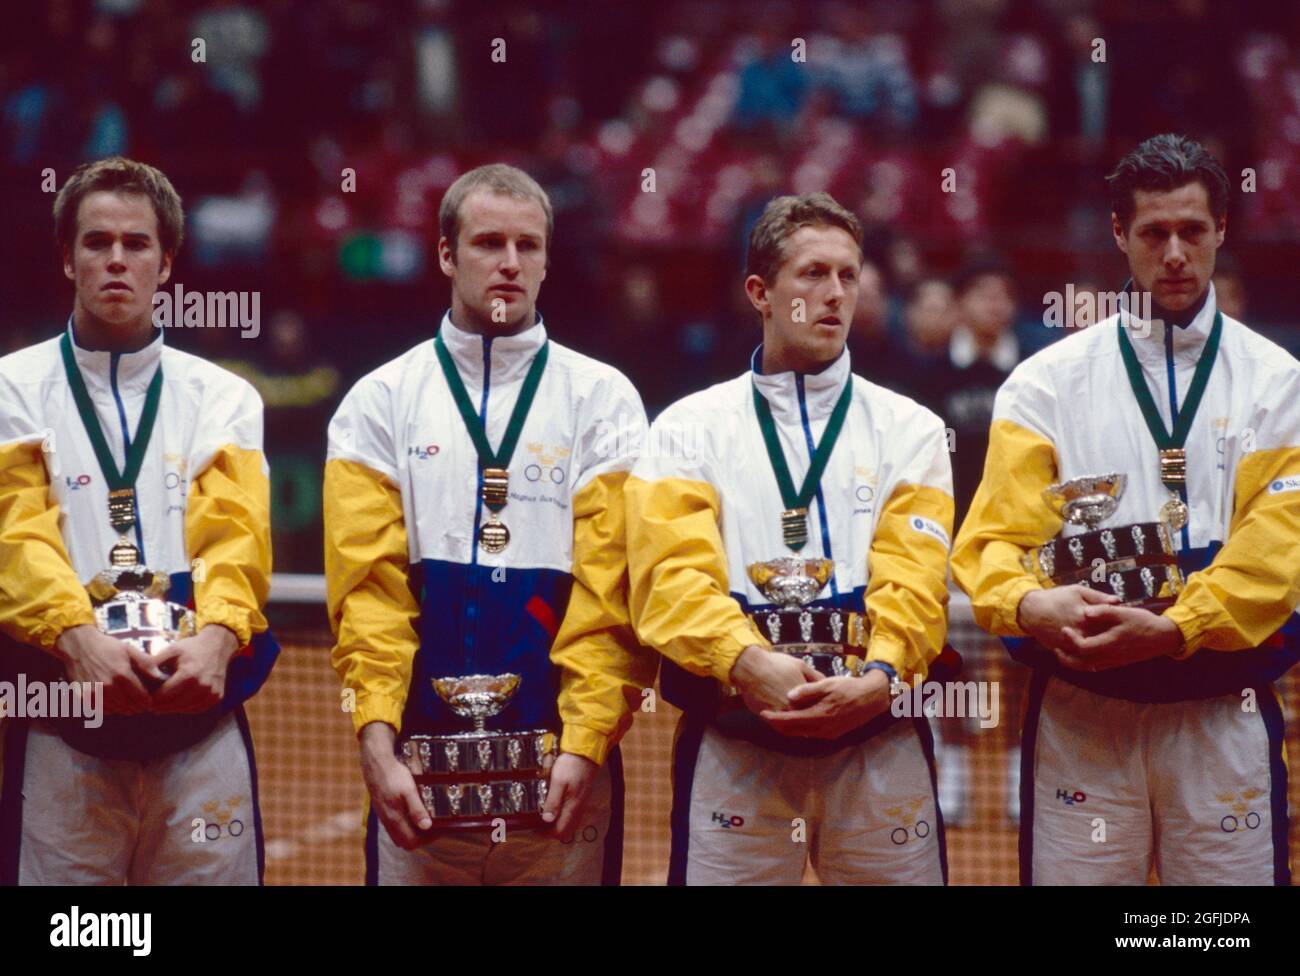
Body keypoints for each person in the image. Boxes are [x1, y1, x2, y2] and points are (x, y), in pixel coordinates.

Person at [952, 133, 1299, 885]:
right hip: (1082, 713)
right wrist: (1027, 603)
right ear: (1119, 234)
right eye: (1153, 232)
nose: (1174, 253)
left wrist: (1177, 627)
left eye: (1192, 231)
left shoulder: (1280, 385)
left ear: (1222, 232)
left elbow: (1278, 557)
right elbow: (991, 546)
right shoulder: (1043, 387)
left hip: (1223, 711)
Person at [324, 163, 655, 885]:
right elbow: (368, 597)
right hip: (418, 781)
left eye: (528, 246)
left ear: (546, 261)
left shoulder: (604, 400)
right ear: (446, 254)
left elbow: (611, 595)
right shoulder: (377, 402)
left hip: (564, 779)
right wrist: (377, 747)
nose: (510, 263)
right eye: (487, 243)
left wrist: (588, 740)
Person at [626, 192, 952, 885]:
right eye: (811, 274)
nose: (835, 294)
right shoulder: (685, 430)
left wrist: (881, 677)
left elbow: (917, 583)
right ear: (760, 291)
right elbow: (669, 582)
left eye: (848, 275)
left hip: (881, 739)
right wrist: (747, 663)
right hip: (735, 744)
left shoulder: (911, 430)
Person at [0, 156, 277, 884]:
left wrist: (219, 639)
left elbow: (235, 536)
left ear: (167, 262)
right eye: (96, 243)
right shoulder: (10, 389)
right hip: (63, 725)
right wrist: (76, 640)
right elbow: (14, 535)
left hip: (200, 727)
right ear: (67, 258)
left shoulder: (224, 397)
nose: (116, 259)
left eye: (136, 243)